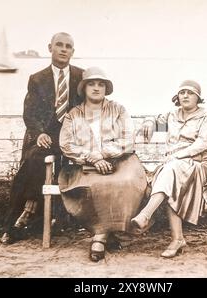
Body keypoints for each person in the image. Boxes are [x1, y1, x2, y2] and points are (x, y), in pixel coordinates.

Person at [0, 32, 84, 244]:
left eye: (68, 46)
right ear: (50, 48)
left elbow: (92, 107)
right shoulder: (37, 79)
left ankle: (38, 212)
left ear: (73, 52)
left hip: (72, 137)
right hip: (46, 136)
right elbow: (30, 113)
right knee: (33, 160)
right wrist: (38, 134)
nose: (64, 49)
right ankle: (14, 222)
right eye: (59, 45)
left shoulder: (81, 77)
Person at [58, 67, 148, 262]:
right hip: (86, 165)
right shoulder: (73, 114)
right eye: (92, 84)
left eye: (101, 84)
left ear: (106, 88)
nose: (97, 88)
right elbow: (66, 144)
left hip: (120, 161)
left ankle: (101, 237)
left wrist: (103, 154)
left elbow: (128, 138)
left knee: (125, 182)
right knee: (97, 185)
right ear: (84, 88)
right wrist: (91, 157)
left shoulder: (118, 109)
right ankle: (107, 233)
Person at [131, 80, 207, 258]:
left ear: (198, 98)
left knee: (170, 171)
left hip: (198, 164)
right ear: (177, 97)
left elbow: (203, 144)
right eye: (182, 92)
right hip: (174, 166)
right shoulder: (172, 115)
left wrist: (178, 155)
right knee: (171, 178)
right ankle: (177, 239)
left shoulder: (206, 116)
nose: (185, 95)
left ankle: (146, 214)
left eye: (190, 93)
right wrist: (149, 121)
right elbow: (156, 120)